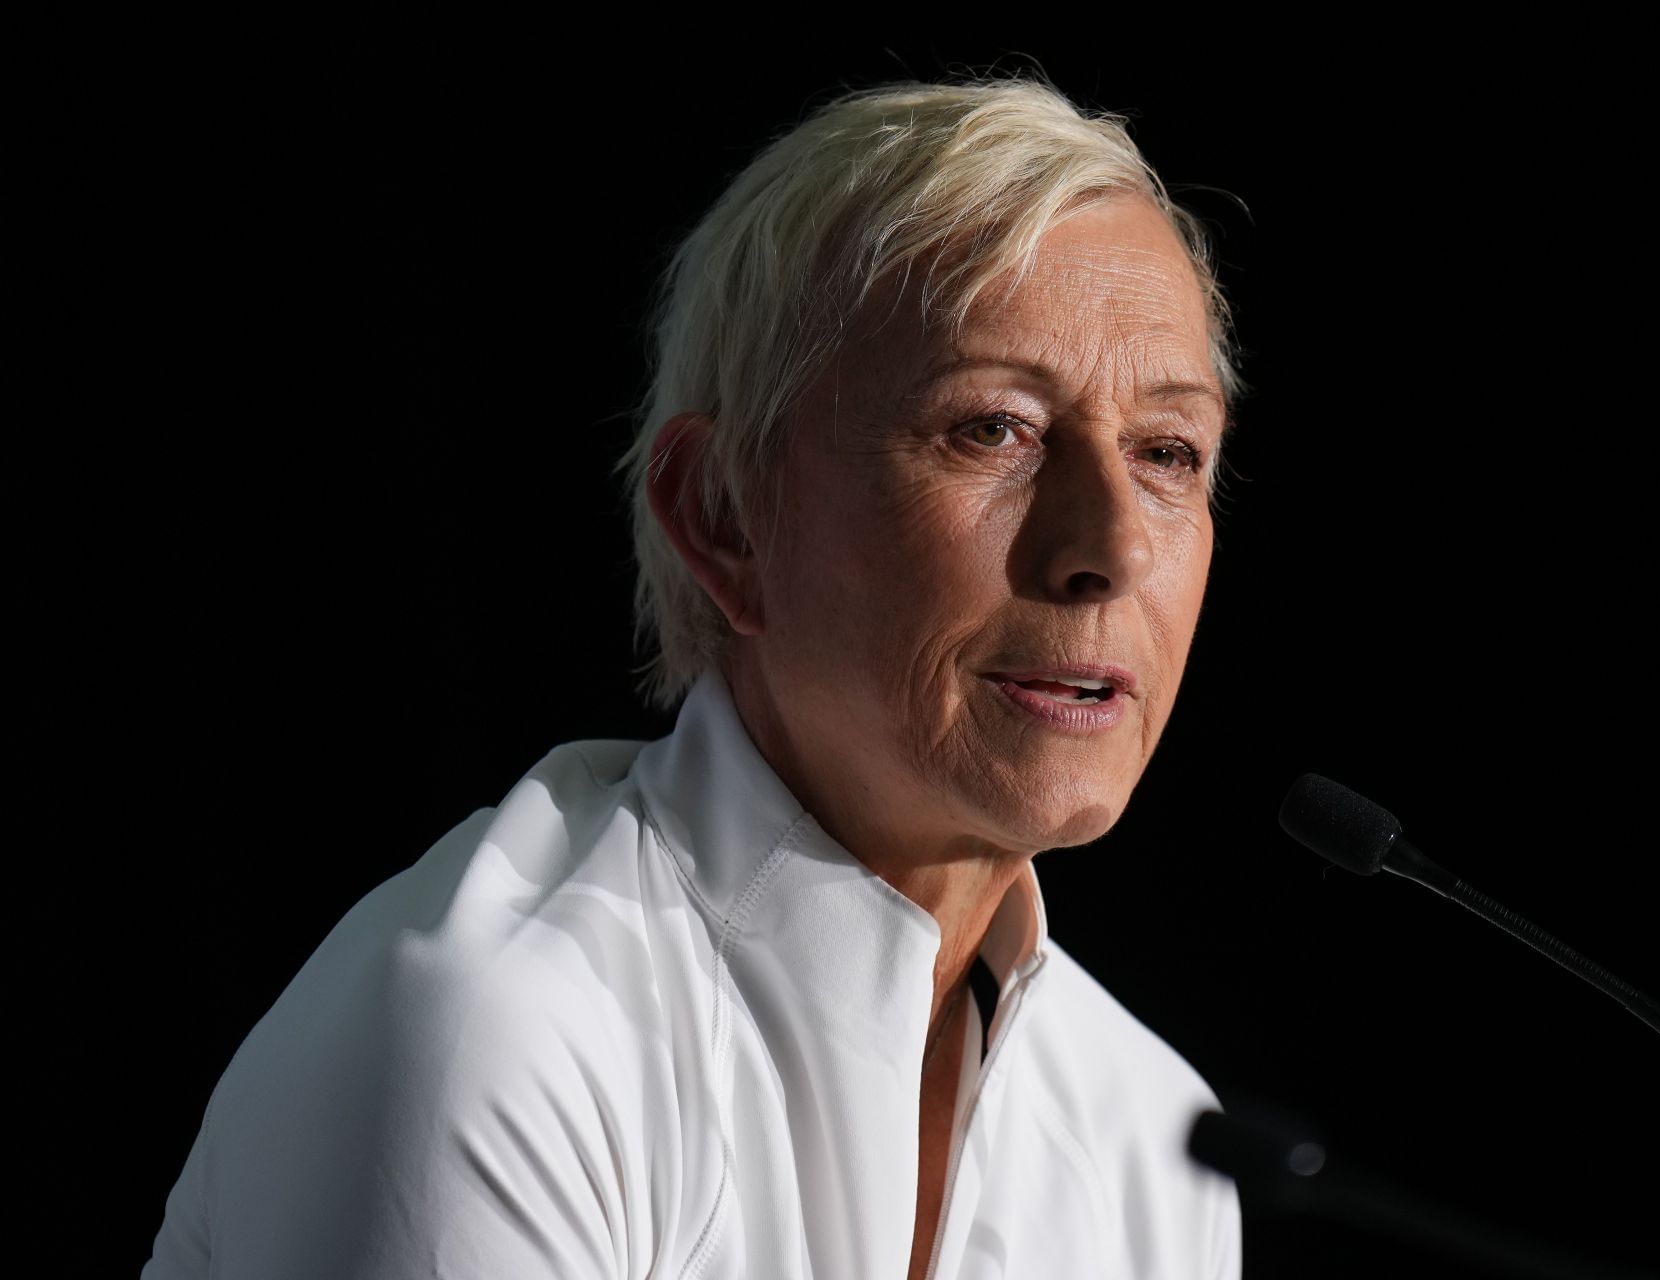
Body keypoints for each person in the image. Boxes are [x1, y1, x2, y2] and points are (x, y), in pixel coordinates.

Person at [145, 74, 1245, 1279]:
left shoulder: (1153, 1142)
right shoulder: (502, 1030)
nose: (1113, 548)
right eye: (993, 427)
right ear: (720, 516)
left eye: (1168, 452)